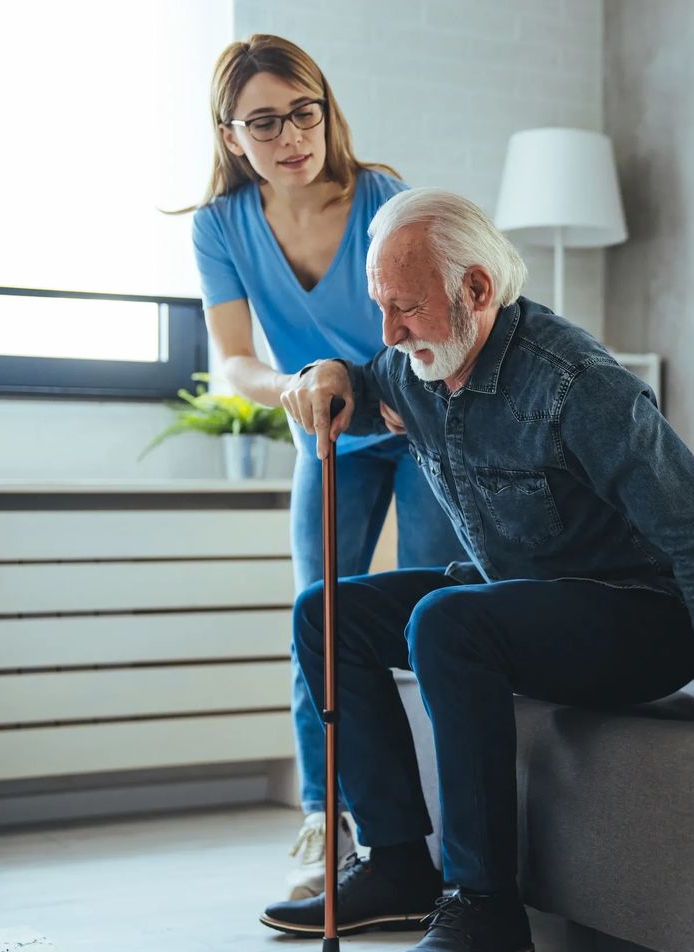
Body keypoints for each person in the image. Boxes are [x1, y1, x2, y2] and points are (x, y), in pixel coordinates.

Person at [260, 189, 694, 952]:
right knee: (329, 613)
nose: (390, 330)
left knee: (448, 623)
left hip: (636, 615)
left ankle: (487, 908)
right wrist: (329, 376)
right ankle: (396, 864)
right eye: (378, 306)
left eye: (406, 308)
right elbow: (367, 382)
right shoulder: (418, 364)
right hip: (523, 594)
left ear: (477, 291)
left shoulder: (578, 384)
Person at [188, 35, 463, 900]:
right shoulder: (221, 226)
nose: (290, 135)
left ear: (325, 107)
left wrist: (368, 379)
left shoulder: (384, 196)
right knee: (320, 619)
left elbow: (436, 325)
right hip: (325, 431)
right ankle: (328, 819)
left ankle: (441, 822)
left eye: (303, 110)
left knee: (432, 612)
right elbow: (232, 360)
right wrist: (295, 383)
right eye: (263, 122)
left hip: (418, 424)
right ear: (233, 137)